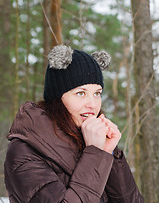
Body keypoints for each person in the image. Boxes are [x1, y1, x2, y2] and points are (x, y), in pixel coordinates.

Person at [4, 45, 144, 203]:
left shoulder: (92, 141)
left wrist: (108, 153)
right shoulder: (24, 152)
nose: (92, 104)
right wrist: (96, 154)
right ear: (57, 98)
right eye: (80, 93)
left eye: (97, 93)